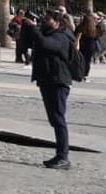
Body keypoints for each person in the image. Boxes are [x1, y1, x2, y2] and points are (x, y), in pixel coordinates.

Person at [21, 9, 76, 169]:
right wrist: (29, 26)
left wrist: (33, 28)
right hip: (47, 80)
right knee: (54, 119)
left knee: (59, 119)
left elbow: (45, 44)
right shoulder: (46, 32)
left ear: (57, 22)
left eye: (48, 20)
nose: (45, 22)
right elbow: (29, 42)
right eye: (44, 19)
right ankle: (60, 155)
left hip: (58, 81)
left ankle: (63, 157)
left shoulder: (63, 36)